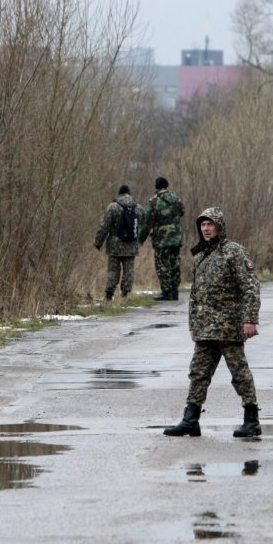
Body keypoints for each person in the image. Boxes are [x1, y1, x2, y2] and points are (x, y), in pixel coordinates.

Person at [164, 207, 262, 438]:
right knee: (198, 373)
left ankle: (252, 420)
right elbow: (195, 294)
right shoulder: (200, 257)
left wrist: (250, 319)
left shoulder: (234, 252)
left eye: (210, 224)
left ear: (219, 226)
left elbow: (250, 287)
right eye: (203, 224)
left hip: (229, 327)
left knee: (240, 374)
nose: (206, 228)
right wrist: (193, 324)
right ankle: (190, 420)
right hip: (206, 329)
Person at [94, 184, 144, 300]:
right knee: (128, 272)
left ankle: (108, 295)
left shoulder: (112, 207)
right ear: (129, 193)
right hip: (131, 245)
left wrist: (98, 242)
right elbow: (141, 226)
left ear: (119, 194)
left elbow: (104, 226)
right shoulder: (138, 208)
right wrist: (139, 241)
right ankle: (125, 295)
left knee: (113, 271)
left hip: (114, 246)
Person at [143, 176, 184, 301]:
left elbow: (147, 221)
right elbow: (182, 212)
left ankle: (166, 292)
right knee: (175, 263)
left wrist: (140, 238)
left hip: (162, 239)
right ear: (167, 185)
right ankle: (175, 291)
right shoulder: (176, 199)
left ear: (156, 186)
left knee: (162, 265)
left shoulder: (154, 201)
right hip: (176, 237)